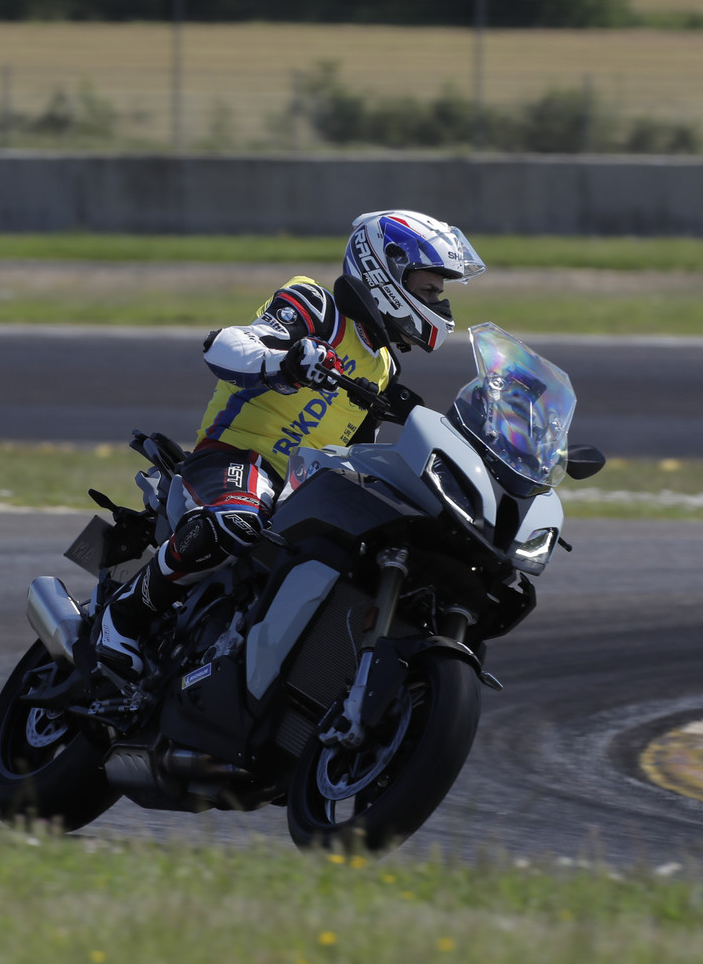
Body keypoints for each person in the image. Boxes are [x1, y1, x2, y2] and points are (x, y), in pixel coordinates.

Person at [93, 209, 487, 683]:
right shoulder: (315, 305)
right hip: (235, 455)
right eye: (428, 291)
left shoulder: (383, 368)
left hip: (300, 490)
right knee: (238, 519)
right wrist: (285, 363)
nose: (438, 305)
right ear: (387, 270)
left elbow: (360, 456)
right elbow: (226, 344)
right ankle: (123, 618)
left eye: (438, 294)